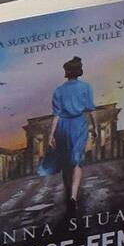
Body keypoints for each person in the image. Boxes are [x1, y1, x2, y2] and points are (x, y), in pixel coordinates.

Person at [48, 55, 96, 206]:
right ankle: (73, 197)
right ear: (79, 71)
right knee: (77, 162)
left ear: (66, 72)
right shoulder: (86, 87)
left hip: (62, 126)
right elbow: (90, 110)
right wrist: (94, 127)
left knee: (65, 163)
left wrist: (51, 135)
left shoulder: (58, 91)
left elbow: (56, 115)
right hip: (79, 125)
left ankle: (68, 192)